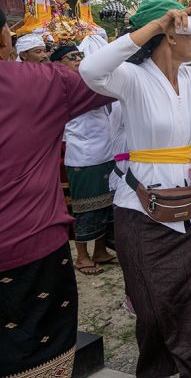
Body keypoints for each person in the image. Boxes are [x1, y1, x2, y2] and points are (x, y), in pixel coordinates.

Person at [79, 0, 191, 376]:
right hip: (141, 210)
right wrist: (156, 25)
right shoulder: (131, 76)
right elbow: (90, 69)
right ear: (169, 34)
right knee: (153, 306)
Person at [0, 51, 114, 377]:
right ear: (5, 37)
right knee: (41, 361)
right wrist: (151, 33)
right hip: (30, 248)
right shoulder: (42, 81)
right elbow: (115, 80)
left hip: (29, 248)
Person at [51, 43, 118, 276]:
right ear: (59, 64)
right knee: (85, 209)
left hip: (105, 152)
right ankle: (82, 256)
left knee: (105, 206)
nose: (79, 60)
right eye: (72, 57)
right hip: (83, 156)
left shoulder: (89, 80)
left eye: (81, 55)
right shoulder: (63, 85)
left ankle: (100, 251)